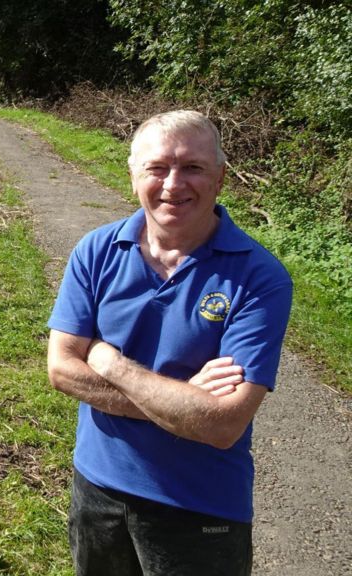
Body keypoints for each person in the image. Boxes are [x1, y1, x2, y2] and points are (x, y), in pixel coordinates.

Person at [46, 110, 293, 575]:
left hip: (198, 507)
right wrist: (183, 404)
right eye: (157, 168)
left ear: (220, 177)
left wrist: (108, 361)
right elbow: (61, 370)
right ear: (133, 176)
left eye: (192, 167)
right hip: (96, 487)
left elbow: (222, 425)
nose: (173, 184)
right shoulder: (96, 251)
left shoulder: (260, 278)